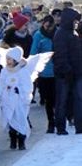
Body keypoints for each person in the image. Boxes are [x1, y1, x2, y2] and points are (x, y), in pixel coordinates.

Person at [52, 7, 82, 135]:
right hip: (64, 74)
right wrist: (67, 70)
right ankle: (60, 127)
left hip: (77, 72)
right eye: (74, 21)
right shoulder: (61, 34)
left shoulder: (73, 33)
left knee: (78, 100)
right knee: (62, 101)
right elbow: (60, 55)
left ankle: (79, 126)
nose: (76, 23)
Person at [0, 47, 32, 151]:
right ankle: (13, 139)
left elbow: (27, 85)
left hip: (19, 100)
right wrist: (5, 89)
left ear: (16, 60)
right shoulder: (5, 70)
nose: (8, 61)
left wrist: (19, 90)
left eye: (10, 59)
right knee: (10, 119)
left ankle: (21, 141)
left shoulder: (23, 71)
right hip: (8, 99)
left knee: (20, 119)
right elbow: (1, 83)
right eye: (7, 59)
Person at [30, 15, 56, 133]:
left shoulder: (58, 34)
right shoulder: (38, 35)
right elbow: (34, 52)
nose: (48, 27)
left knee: (57, 98)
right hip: (44, 72)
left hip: (57, 71)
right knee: (48, 99)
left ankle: (59, 119)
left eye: (50, 25)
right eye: (46, 24)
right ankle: (51, 122)